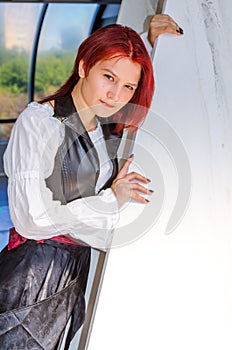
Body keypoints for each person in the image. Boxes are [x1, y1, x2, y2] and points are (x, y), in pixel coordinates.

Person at [0, 14, 183, 350]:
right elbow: (32, 219)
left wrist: (149, 40)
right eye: (108, 77)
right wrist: (110, 200)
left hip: (69, 276)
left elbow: (116, 64)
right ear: (84, 67)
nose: (116, 94)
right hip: (30, 278)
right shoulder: (40, 122)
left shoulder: (99, 127)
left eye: (128, 87)